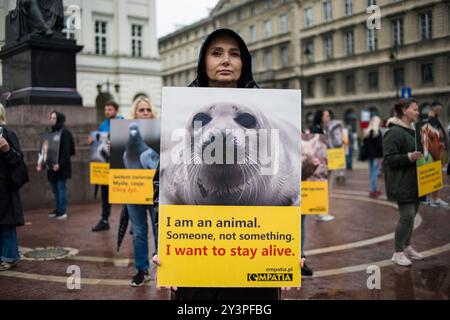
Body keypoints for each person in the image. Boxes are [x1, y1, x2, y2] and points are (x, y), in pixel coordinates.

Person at [157, 28, 281, 300]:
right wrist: (163, 246)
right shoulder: (178, 115)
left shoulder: (268, 108)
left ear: (244, 63)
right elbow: (162, 186)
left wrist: (293, 250)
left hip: (256, 256)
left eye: (234, 54)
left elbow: (286, 186)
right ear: (203, 62)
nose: (226, 60)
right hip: (196, 255)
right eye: (216, 53)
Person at [383, 99, 424, 266]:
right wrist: (409, 157)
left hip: (415, 181)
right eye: (414, 109)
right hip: (401, 182)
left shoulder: (413, 130)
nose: (418, 112)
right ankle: (398, 252)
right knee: (406, 216)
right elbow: (389, 158)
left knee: (412, 216)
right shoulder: (393, 132)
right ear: (404, 110)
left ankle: (407, 247)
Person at [126, 96, 160, 287]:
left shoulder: (160, 131)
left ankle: (163, 269)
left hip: (155, 192)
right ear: (135, 112)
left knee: (159, 232)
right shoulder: (127, 131)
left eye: (148, 110)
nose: (145, 113)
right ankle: (141, 269)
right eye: (141, 110)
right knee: (139, 232)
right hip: (134, 191)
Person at [90, 101, 124, 232]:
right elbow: (98, 143)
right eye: (105, 109)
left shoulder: (122, 122)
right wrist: (92, 140)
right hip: (105, 164)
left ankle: (133, 223)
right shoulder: (103, 125)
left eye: (109, 109)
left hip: (120, 165)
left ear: (116, 110)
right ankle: (104, 220)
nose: (107, 112)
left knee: (128, 194)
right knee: (105, 194)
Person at [0, 104, 25, 271]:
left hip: (4, 187)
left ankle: (10, 257)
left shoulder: (7, 134)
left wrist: (7, 149)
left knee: (6, 223)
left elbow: (18, 160)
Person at [37, 111, 75, 220]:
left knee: (61, 188)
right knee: (55, 189)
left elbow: (67, 151)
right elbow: (45, 150)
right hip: (51, 166)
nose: (51, 120)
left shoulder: (65, 132)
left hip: (61, 167)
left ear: (59, 119)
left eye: (54, 118)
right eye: (51, 118)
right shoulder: (51, 133)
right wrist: (41, 163)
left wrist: (60, 164)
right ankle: (58, 209)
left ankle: (62, 211)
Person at [309, 110, 335, 222]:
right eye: (326, 115)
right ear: (321, 117)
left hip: (328, 161)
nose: (328, 117)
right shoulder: (316, 129)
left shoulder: (327, 129)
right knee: (322, 188)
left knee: (327, 188)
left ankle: (321, 211)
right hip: (320, 164)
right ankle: (321, 212)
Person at [424, 102, 448, 207]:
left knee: (437, 175)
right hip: (433, 151)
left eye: (441, 110)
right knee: (432, 175)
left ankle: (435, 198)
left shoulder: (436, 119)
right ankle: (431, 199)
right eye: (439, 109)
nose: (440, 111)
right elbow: (431, 135)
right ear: (433, 109)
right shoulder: (430, 119)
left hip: (438, 150)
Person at [364, 116, 383, 198]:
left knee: (372, 172)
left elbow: (365, 144)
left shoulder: (368, 132)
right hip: (376, 155)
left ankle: (373, 189)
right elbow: (379, 145)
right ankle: (373, 190)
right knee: (375, 173)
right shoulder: (377, 132)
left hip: (370, 155)